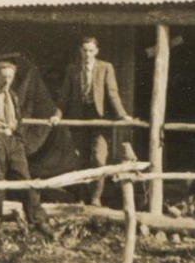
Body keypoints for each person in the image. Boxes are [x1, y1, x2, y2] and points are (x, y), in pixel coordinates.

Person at [50, 35, 136, 206]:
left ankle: (96, 197)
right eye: (85, 50)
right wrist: (57, 115)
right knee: (79, 158)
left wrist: (122, 115)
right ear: (80, 51)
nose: (87, 54)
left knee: (98, 158)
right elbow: (64, 96)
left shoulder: (105, 68)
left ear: (96, 51)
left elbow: (112, 94)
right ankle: (81, 197)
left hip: (100, 118)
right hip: (79, 117)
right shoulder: (72, 69)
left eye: (91, 50)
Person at [0, 61, 47, 231]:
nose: (7, 81)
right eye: (4, 76)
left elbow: (18, 120)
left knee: (25, 180)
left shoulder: (13, 96)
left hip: (13, 141)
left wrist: (18, 139)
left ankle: (38, 221)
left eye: (10, 77)